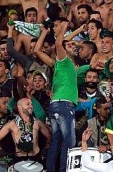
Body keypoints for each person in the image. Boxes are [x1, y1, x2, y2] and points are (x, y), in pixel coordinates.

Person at [46, 17, 78, 172]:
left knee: (56, 140)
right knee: (69, 140)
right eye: (70, 45)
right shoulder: (64, 60)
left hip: (56, 104)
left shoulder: (66, 66)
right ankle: (65, 170)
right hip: (64, 104)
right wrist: (63, 26)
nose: (74, 47)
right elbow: (59, 43)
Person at [0, 98, 51, 163]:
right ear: (19, 107)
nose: (31, 106)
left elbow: (49, 137)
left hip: (35, 157)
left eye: (31, 104)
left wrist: (46, 149)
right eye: (28, 104)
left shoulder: (37, 122)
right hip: (20, 159)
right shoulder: (12, 124)